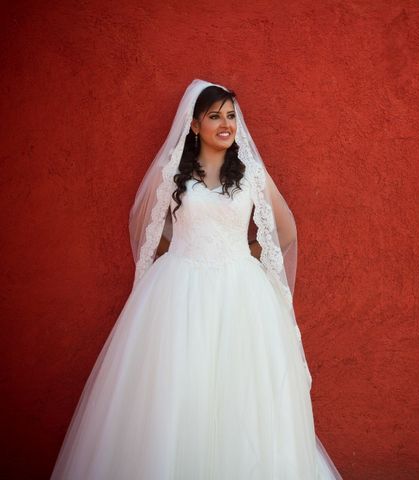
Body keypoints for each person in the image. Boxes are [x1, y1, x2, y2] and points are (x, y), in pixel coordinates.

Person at [50, 79, 342, 479]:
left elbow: (284, 230)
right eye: (215, 116)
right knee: (177, 391)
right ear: (194, 125)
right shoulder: (174, 174)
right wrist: (182, 248)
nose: (226, 124)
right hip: (178, 294)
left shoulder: (252, 174)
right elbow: (144, 225)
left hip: (241, 293)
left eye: (231, 116)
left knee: (240, 395)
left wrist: (245, 256)